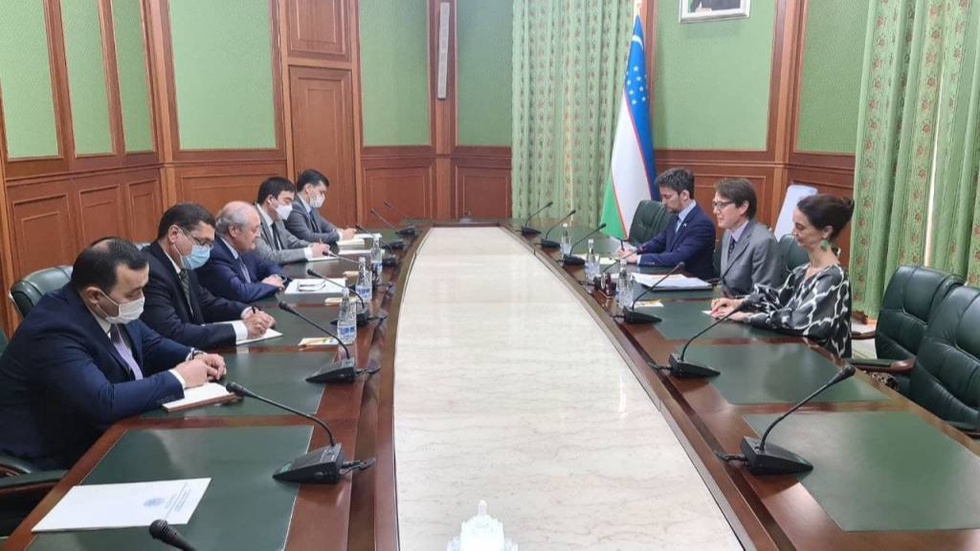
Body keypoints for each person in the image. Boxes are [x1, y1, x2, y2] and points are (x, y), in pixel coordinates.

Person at [0, 238, 226, 469]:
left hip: (111, 434)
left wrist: (193, 356)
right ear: (94, 295)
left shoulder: (111, 305)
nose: (141, 299)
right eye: (134, 293)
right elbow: (104, 402)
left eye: (143, 288)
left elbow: (150, 343)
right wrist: (180, 378)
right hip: (58, 460)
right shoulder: (53, 330)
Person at [711, 195, 854, 357]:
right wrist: (739, 303)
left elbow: (797, 322)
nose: (793, 232)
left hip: (821, 364)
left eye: (800, 228)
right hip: (793, 356)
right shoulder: (802, 271)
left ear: (826, 231)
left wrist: (746, 316)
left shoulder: (834, 278)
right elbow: (777, 299)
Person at [141, 203, 277, 350]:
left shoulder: (182, 262)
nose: (206, 250)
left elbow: (207, 303)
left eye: (210, 244)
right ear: (174, 234)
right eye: (202, 242)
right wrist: (243, 329)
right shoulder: (149, 271)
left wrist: (247, 312)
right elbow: (173, 332)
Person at [614, 167, 716, 280]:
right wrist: (633, 251)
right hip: (671, 278)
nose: (663, 203)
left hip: (692, 285)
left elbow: (677, 258)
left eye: (667, 197)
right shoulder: (676, 216)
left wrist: (638, 259)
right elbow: (658, 242)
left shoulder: (702, 225)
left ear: (684, 195)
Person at [196, 201, 286, 303]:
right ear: (234, 230)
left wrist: (275, 278)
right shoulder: (215, 254)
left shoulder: (244, 248)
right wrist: (268, 285)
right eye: (254, 230)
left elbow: (269, 266)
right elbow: (239, 292)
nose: (258, 235)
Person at [713, 178, 782, 296]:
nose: (715, 211)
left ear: (743, 207)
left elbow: (763, 295)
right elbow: (724, 281)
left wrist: (734, 304)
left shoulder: (764, 242)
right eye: (715, 204)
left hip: (744, 307)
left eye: (722, 205)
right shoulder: (728, 233)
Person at [254, 176, 329, 265]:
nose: (290, 207)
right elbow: (269, 257)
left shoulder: (277, 218)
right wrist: (310, 252)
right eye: (287, 201)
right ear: (270, 199)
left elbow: (292, 242)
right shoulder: (252, 221)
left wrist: (312, 246)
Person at [284, 169, 356, 245]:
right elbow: (307, 237)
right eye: (321, 192)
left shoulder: (311, 207)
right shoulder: (294, 207)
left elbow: (325, 225)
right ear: (308, 188)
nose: (323, 197)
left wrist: (339, 231)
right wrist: (340, 235)